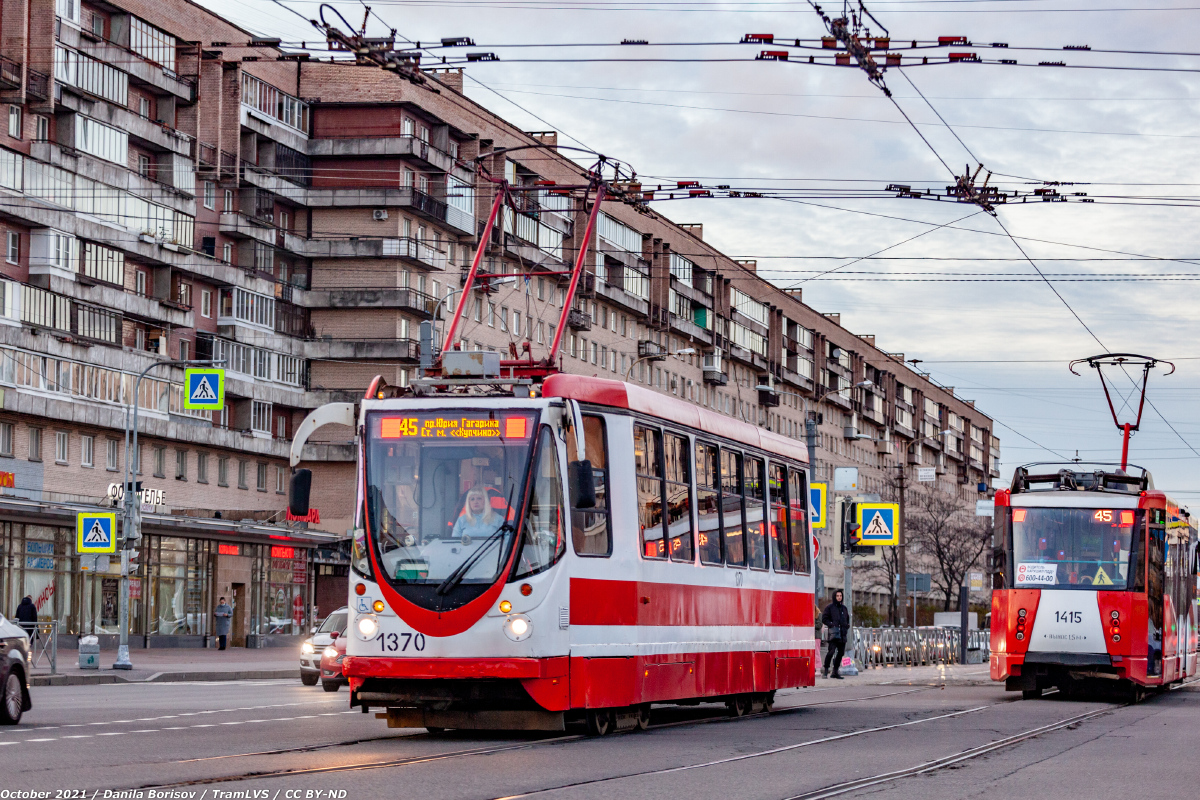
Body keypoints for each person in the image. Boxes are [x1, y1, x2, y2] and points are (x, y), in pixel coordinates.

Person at [821, 589, 851, 680]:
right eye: (837, 596)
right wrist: (831, 625)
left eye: (840, 596)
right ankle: (826, 670)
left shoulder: (844, 608)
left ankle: (835, 671)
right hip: (833, 634)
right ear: (834, 597)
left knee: (841, 653)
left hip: (842, 634)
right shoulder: (829, 607)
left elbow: (847, 618)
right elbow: (824, 618)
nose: (839, 597)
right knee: (831, 652)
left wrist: (846, 625)